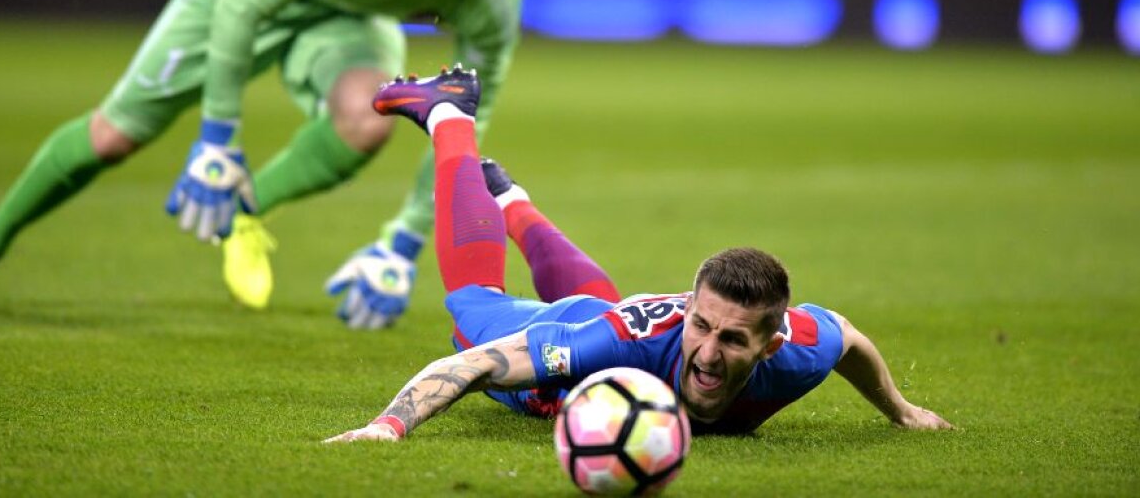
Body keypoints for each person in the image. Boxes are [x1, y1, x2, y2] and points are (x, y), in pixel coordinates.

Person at [0, 0, 523, 328]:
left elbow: (461, 120)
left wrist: (405, 242)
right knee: (116, 135)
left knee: (368, 114)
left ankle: (245, 214)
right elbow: (242, 5)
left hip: (346, 11)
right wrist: (217, 140)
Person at [324, 66, 952, 443]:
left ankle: (511, 200)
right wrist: (387, 426)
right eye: (701, 326)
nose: (706, 352)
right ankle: (446, 113)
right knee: (471, 305)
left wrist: (900, 411)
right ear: (690, 310)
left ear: (771, 345)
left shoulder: (801, 354)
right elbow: (478, 364)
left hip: (610, 319)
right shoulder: (619, 348)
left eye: (733, 341)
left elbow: (847, 338)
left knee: (603, 307)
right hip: (570, 339)